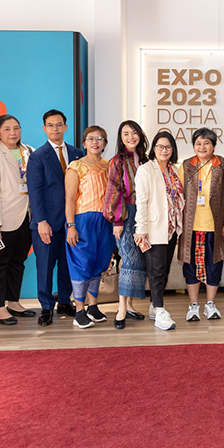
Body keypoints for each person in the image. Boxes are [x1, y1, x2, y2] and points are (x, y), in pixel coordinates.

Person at [26, 109, 83, 326]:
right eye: (50, 125)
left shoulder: (77, 153)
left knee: (67, 265)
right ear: (44, 129)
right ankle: (46, 307)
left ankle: (65, 301)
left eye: (59, 124)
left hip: (71, 222)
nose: (55, 129)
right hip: (46, 223)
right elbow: (35, 192)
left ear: (65, 127)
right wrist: (41, 221)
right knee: (45, 266)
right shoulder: (38, 156)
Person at [0, 114, 35, 326]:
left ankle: (13, 302)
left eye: (16, 128)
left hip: (25, 218)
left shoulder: (29, 151)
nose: (13, 133)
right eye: (7, 129)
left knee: (17, 262)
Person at [178, 128, 224, 322]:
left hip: (215, 225)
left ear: (214, 146)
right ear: (193, 146)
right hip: (190, 226)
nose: (202, 147)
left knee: (214, 264)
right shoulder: (187, 165)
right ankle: (193, 305)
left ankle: (210, 304)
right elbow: (178, 195)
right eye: (198, 143)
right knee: (190, 265)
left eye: (206, 143)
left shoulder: (223, 164)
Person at [65, 125, 115, 329]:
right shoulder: (76, 167)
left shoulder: (109, 166)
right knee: (81, 263)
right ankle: (79, 310)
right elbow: (69, 199)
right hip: (82, 220)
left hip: (105, 221)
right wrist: (71, 226)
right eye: (91, 138)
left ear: (105, 143)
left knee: (99, 263)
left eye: (99, 138)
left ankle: (93, 306)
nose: (95, 142)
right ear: (84, 143)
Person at [133, 131, 183, 331]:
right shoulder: (146, 169)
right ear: (153, 149)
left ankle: (154, 306)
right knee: (156, 271)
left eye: (168, 147)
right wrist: (141, 229)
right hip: (153, 229)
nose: (164, 150)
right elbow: (141, 201)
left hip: (170, 229)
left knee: (165, 270)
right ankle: (160, 311)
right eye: (160, 146)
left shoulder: (174, 170)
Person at [103, 120, 149, 330]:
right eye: (126, 134)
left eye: (134, 133)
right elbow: (114, 191)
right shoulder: (118, 161)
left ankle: (129, 305)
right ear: (121, 138)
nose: (131, 137)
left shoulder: (146, 160)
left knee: (138, 259)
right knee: (129, 259)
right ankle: (121, 308)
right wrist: (118, 220)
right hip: (126, 213)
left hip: (144, 214)